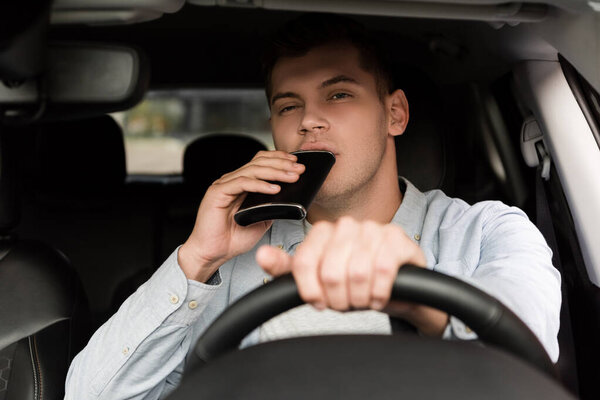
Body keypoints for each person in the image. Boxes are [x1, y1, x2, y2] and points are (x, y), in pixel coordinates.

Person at [64, 13, 561, 400]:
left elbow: (528, 350)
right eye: (287, 106)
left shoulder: (485, 229)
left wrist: (419, 300)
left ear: (395, 113)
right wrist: (195, 258)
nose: (309, 121)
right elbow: (90, 395)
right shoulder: (232, 260)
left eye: (338, 94)